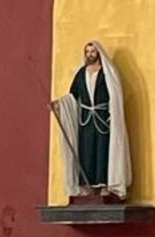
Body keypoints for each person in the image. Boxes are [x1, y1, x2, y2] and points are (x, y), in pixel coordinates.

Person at [51, 40, 131, 200]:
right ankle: (88, 186)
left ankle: (103, 185)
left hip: (102, 119)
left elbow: (114, 96)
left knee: (102, 149)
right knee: (86, 149)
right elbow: (73, 95)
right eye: (87, 52)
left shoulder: (107, 73)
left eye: (93, 52)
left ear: (99, 53)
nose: (90, 55)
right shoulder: (81, 73)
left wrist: (111, 114)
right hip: (86, 119)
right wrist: (60, 104)